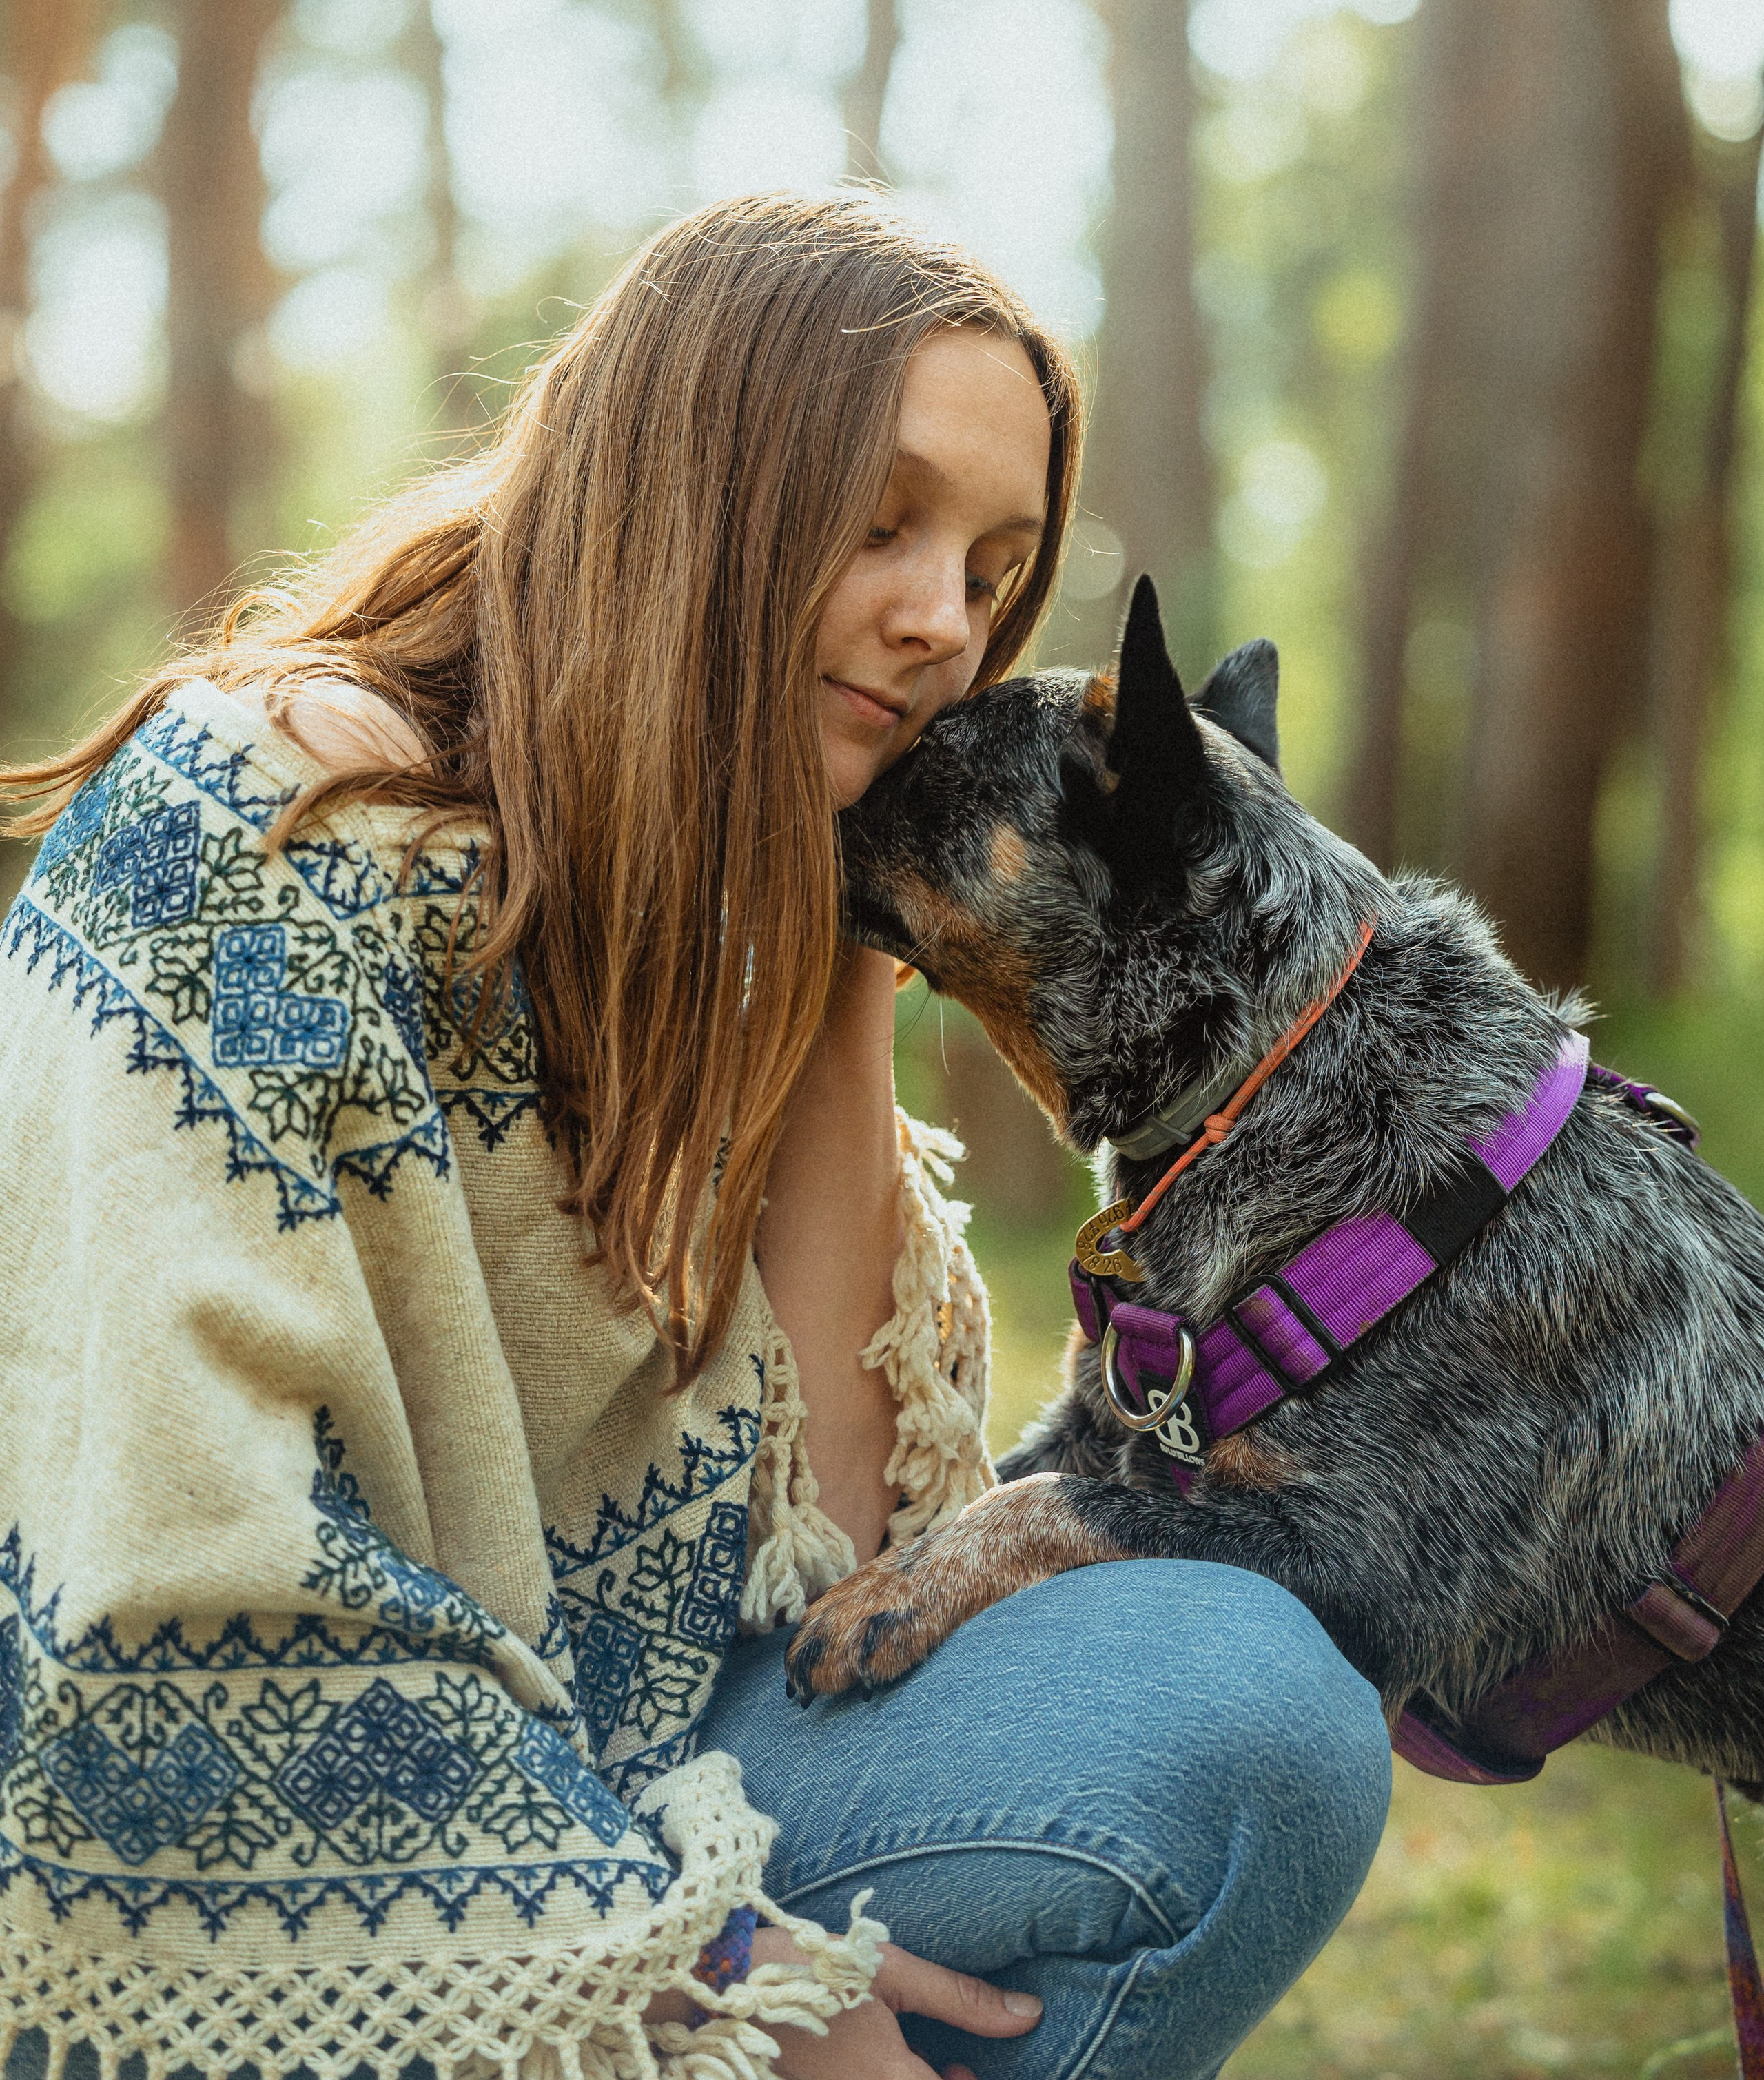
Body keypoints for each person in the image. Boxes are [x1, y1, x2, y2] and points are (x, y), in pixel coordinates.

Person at [0, 190, 1389, 2080]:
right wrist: (713, 1970)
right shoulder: (256, 827)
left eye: (990, 566)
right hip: (243, 1832)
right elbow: (188, 1578)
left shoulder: (728, 881)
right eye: (881, 516)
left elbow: (829, 1571)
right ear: (689, 477)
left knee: (1253, 1724)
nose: (944, 622)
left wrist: (847, 934)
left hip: (631, 1741)